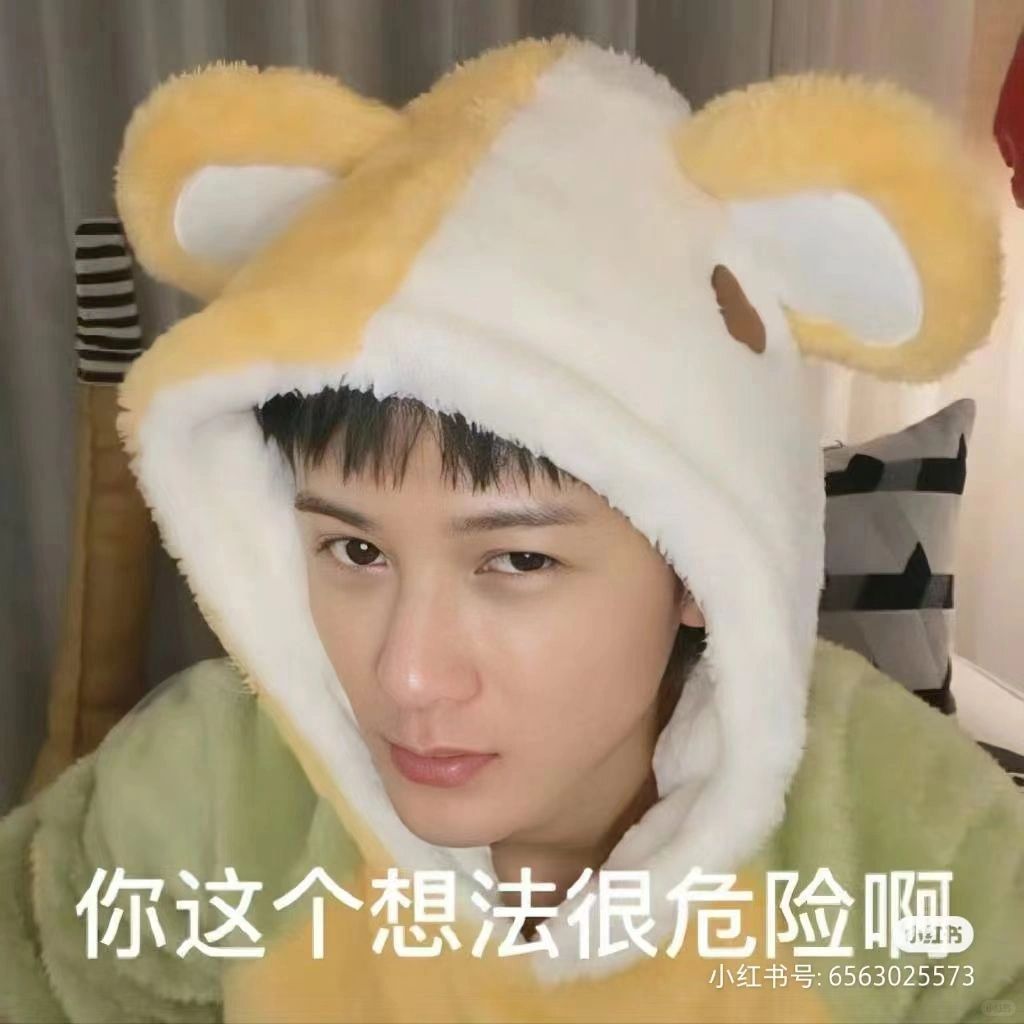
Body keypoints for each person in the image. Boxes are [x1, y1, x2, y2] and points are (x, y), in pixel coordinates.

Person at [1, 34, 1022, 1024]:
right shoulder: (209, 793)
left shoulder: (904, 837)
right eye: (356, 550)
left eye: (518, 559)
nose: (407, 675)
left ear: (702, 565)